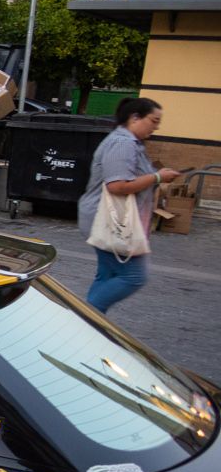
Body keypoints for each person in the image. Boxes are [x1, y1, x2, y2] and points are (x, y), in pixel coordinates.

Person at [79, 96, 182, 314]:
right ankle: (86, 319)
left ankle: (92, 323)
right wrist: (157, 178)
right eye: (154, 121)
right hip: (110, 222)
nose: (157, 126)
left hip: (111, 221)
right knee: (134, 276)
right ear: (135, 118)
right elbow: (117, 185)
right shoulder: (122, 143)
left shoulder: (130, 143)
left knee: (107, 276)